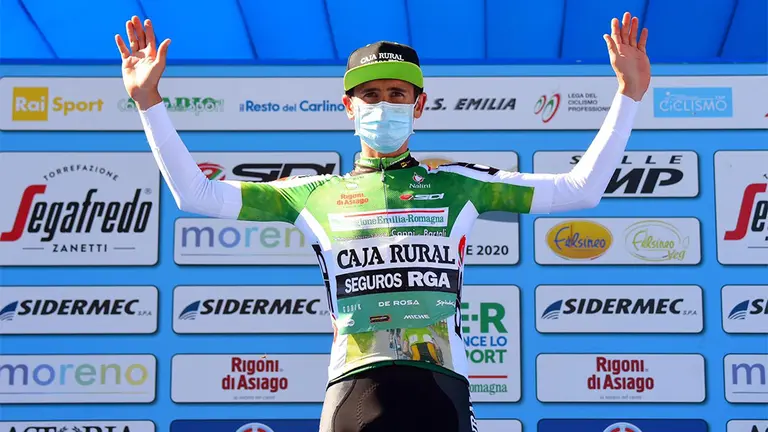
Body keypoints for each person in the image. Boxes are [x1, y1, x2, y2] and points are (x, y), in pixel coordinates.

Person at [116, 12, 650, 432]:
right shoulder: (314, 194)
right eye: (371, 95)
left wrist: (628, 96)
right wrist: (149, 103)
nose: (384, 105)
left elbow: (581, 189)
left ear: (419, 105)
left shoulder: (458, 184)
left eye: (397, 95)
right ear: (348, 107)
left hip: (441, 390)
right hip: (352, 391)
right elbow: (197, 194)